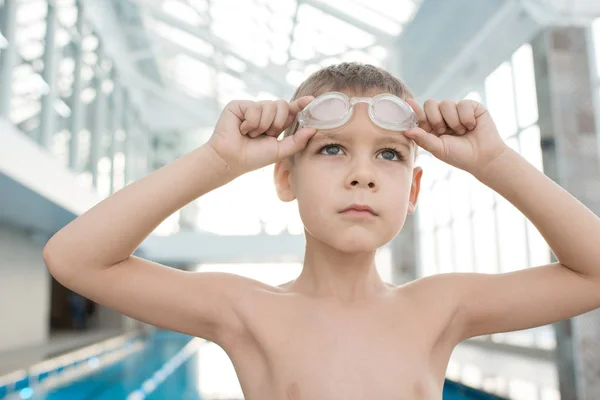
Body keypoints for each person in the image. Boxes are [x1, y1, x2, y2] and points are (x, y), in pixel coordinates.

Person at [42, 62, 600, 399]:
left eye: (388, 154)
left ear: (411, 191)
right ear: (285, 176)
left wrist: (494, 160)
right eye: (332, 149)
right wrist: (218, 159)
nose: (362, 174)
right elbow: (74, 259)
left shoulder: (439, 307)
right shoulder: (245, 310)